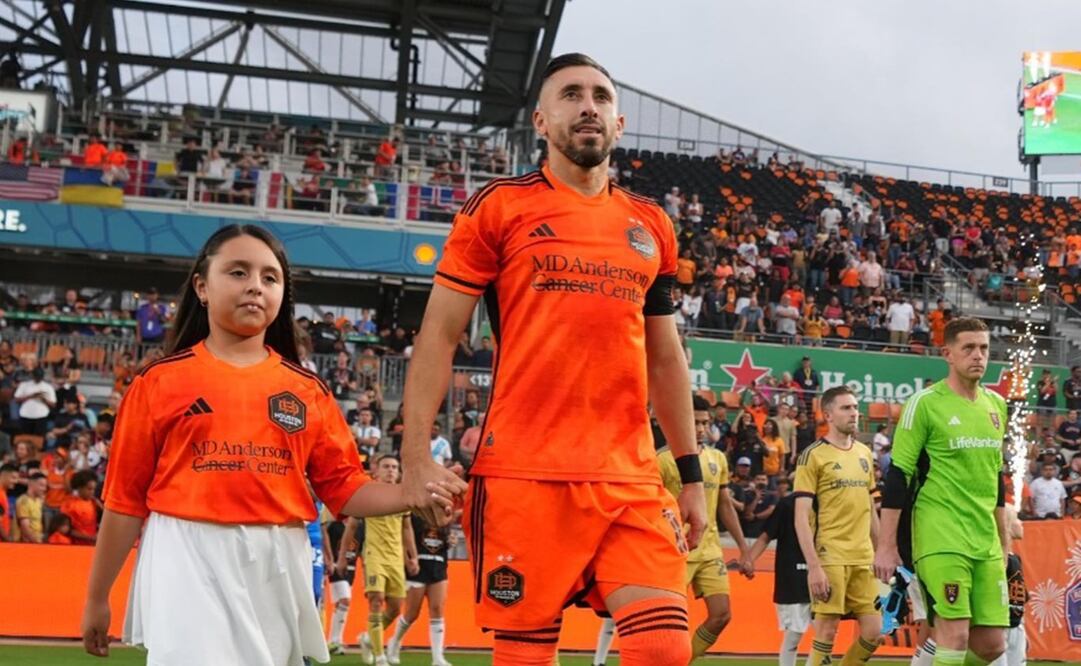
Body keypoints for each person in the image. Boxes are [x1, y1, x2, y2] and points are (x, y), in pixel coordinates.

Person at [399, 53, 705, 666]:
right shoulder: (498, 207)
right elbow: (439, 333)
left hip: (629, 476)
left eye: (601, 96)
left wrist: (690, 474)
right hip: (522, 474)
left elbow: (665, 359)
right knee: (527, 658)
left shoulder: (651, 225)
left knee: (665, 648)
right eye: (571, 94)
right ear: (541, 120)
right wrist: (414, 453)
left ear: (619, 124)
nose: (588, 105)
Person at [79, 225, 451, 665]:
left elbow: (344, 488)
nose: (255, 285)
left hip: (279, 557)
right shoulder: (158, 383)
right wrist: (97, 596)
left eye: (270, 278)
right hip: (184, 551)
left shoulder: (308, 390)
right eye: (238, 272)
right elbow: (125, 501)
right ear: (201, 286)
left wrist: (408, 494)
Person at [876, 317, 1010, 666]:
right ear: (947, 354)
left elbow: (996, 479)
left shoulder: (996, 406)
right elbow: (899, 476)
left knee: (993, 644)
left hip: (985, 540)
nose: (978, 356)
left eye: (983, 348)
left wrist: (1004, 538)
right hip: (940, 535)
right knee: (954, 634)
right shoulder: (924, 404)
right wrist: (887, 545)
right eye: (968, 348)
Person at [793, 386, 881, 666]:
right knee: (827, 631)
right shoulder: (813, 455)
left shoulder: (865, 453)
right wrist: (814, 566)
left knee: (875, 632)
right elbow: (801, 517)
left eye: (856, 407)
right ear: (827, 414)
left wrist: (882, 553)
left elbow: (871, 512)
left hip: (864, 557)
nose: (854, 413)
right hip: (831, 556)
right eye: (846, 408)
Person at [353, 455, 416, 666]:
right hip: (374, 555)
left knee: (396, 608)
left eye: (394, 467)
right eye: (386, 467)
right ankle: (380, 658)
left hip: (396, 558)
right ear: (377, 471)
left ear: (399, 472)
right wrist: (345, 554)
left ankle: (368, 639)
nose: (391, 470)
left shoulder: (402, 497)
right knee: (376, 600)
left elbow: (407, 528)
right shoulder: (369, 493)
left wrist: (412, 556)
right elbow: (352, 525)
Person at [747, 480, 810, 666]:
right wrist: (750, 560)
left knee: (827, 632)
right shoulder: (787, 504)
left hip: (826, 575)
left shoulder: (831, 502)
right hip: (792, 575)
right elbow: (766, 535)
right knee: (794, 634)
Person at [385, 511, 455, 666]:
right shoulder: (415, 517)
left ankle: (437, 658)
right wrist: (408, 560)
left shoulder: (444, 517)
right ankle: (395, 642)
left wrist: (451, 540)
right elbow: (404, 539)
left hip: (439, 566)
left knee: (437, 609)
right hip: (418, 568)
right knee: (411, 613)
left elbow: (445, 541)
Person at [989, 508, 1027, 666]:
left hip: (1015, 624)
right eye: (1017, 519)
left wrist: (1022, 627)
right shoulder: (996, 560)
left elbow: (1021, 596)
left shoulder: (1015, 559)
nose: (1022, 523)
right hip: (998, 625)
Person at [16, 471, 46, 542]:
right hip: (28, 544)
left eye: (45, 486)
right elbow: (25, 528)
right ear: (31, 484)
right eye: (41, 485)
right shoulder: (23, 501)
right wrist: (37, 542)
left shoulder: (39, 501)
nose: (44, 489)